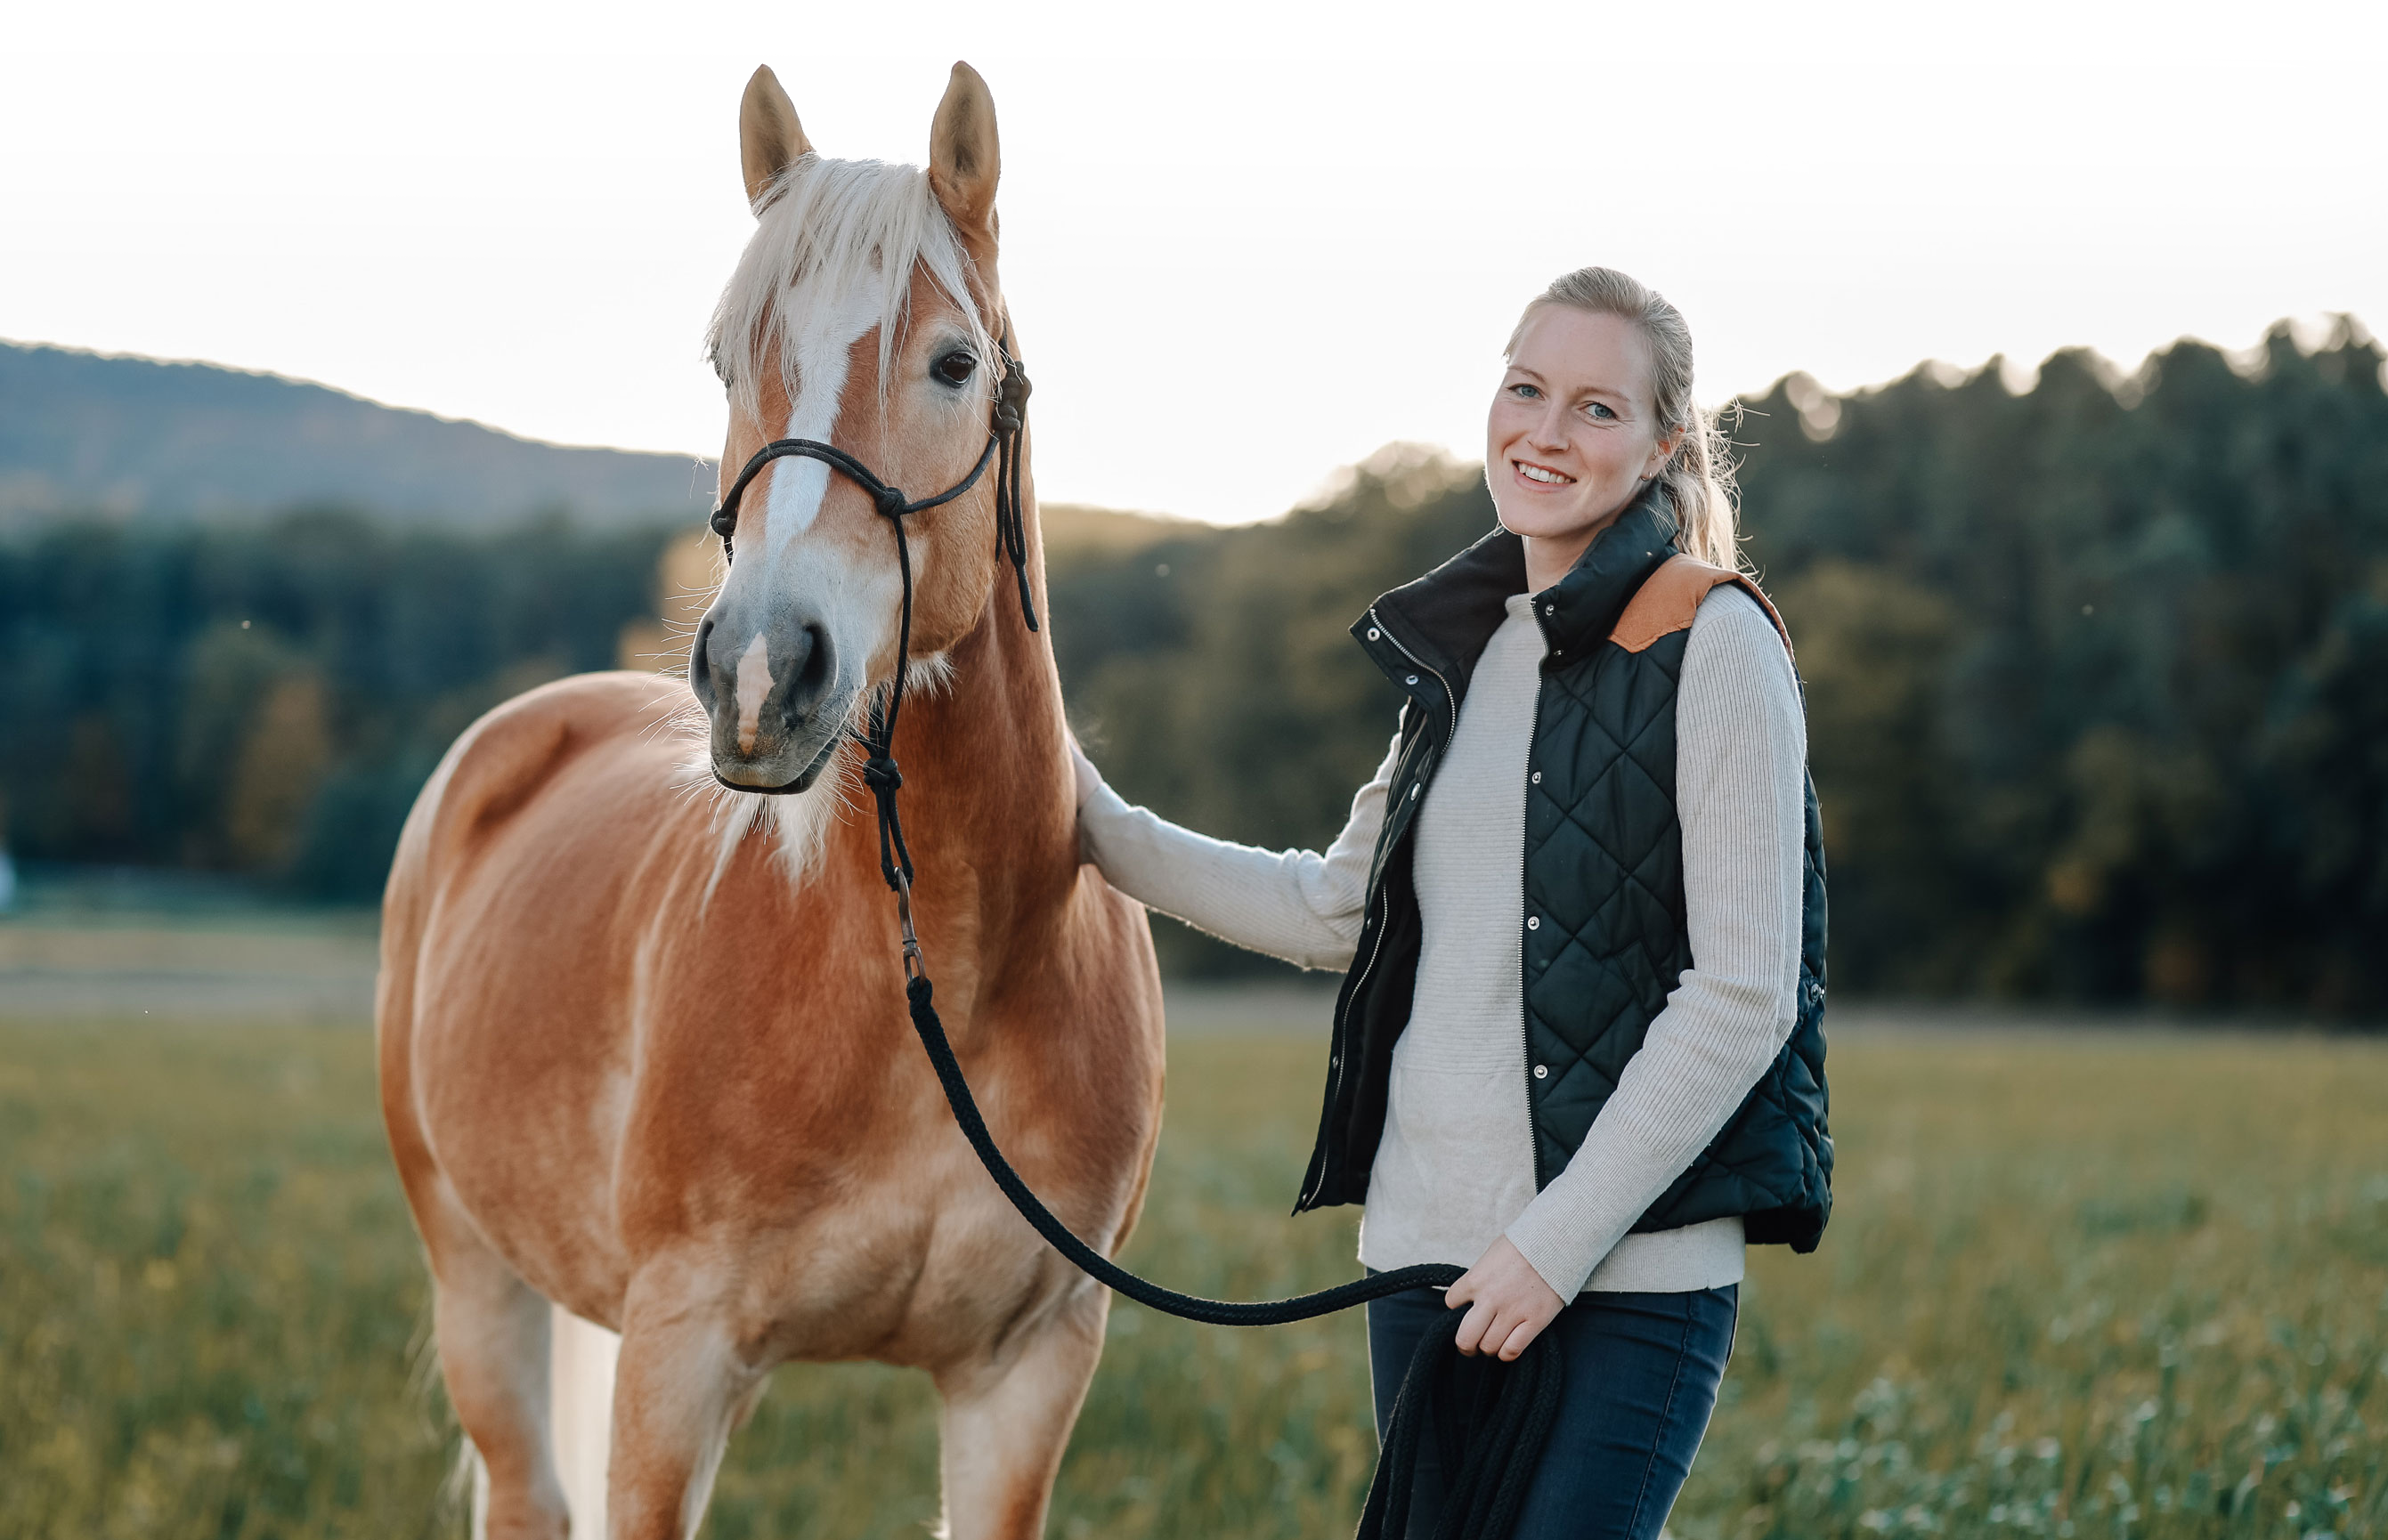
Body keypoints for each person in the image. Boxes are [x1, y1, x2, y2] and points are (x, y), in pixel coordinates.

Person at [1070, 266, 1832, 1539]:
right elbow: (1334, 911)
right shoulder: (1467, 649)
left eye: (1595, 408)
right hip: (1425, 1271)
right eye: (1525, 387)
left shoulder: (1716, 641)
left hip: (1629, 1287)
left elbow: (1742, 991)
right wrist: (1088, 822)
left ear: (1661, 447)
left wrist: (1551, 1246)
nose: (1544, 430)